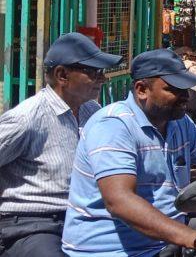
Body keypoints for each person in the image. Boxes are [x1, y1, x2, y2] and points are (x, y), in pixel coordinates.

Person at [62, 49, 196, 256]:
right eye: (174, 89)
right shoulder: (113, 125)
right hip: (111, 249)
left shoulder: (178, 122)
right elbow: (119, 200)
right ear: (141, 89)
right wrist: (188, 236)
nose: (185, 97)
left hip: (166, 237)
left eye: (186, 89)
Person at [0, 33, 122, 257]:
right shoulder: (27, 118)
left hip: (84, 219)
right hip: (33, 225)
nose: (102, 79)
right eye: (94, 73)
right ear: (62, 75)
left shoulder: (92, 112)